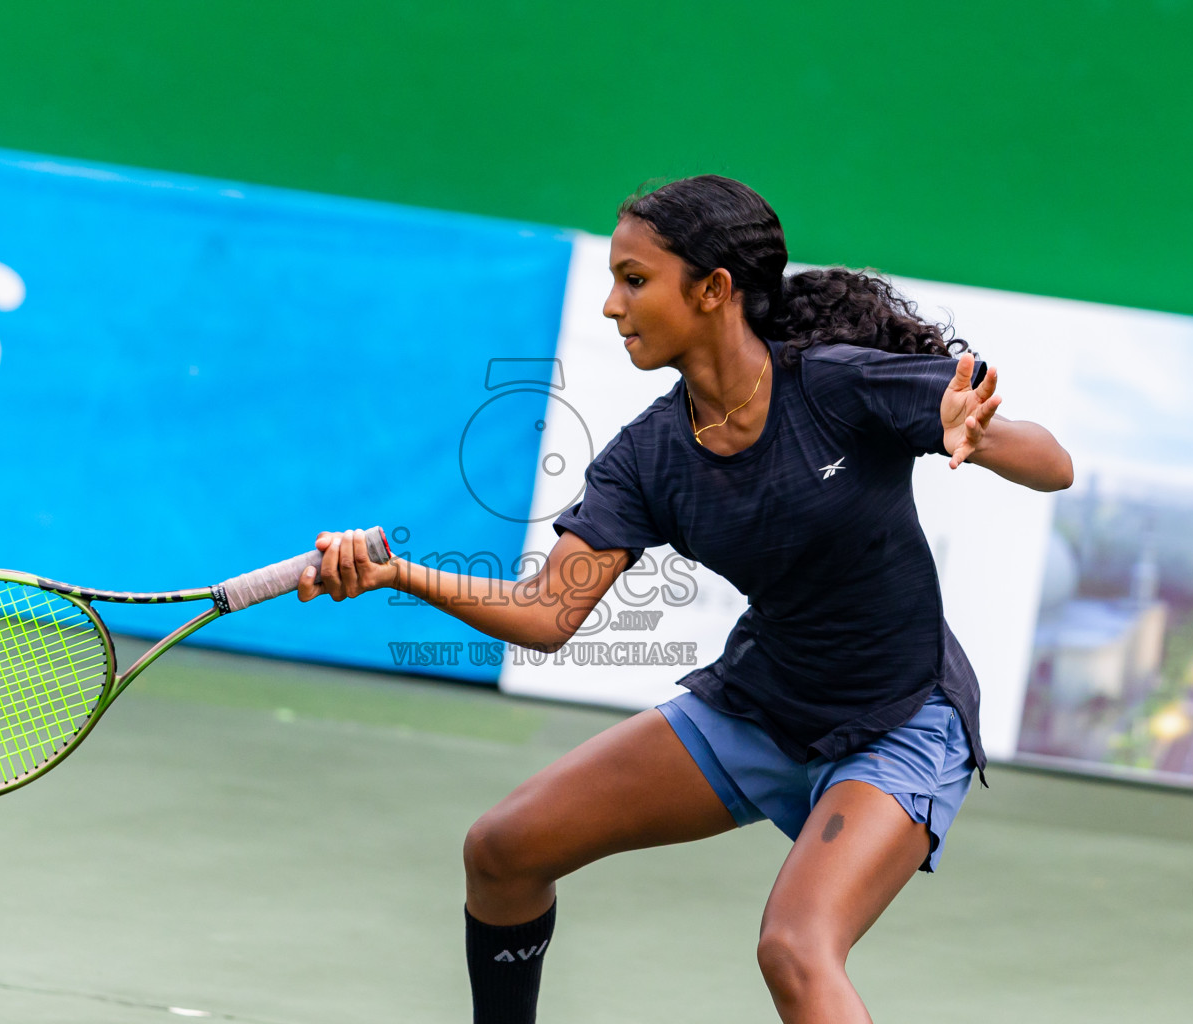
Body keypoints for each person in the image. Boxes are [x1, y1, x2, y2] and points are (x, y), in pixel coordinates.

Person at [300, 175, 1073, 1024]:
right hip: (760, 704)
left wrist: (984, 435)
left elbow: (1053, 463)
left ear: (713, 291)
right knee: (503, 849)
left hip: (898, 720)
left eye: (635, 280)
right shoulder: (650, 458)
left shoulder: (838, 387)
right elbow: (547, 617)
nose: (609, 306)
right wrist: (397, 571)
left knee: (795, 946)